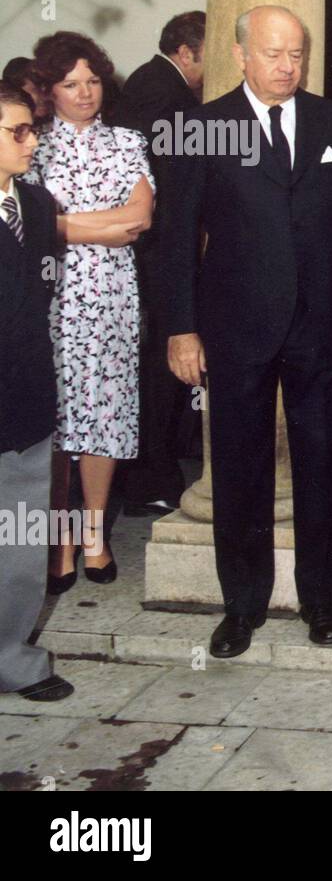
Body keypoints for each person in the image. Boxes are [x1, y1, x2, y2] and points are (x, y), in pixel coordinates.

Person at [160, 5, 332, 659]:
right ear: (240, 56)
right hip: (235, 324)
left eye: (296, 53)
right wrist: (181, 328)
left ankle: (319, 598)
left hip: (320, 324)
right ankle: (241, 603)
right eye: (273, 53)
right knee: (238, 467)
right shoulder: (204, 128)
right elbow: (178, 234)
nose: (287, 65)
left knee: (322, 462)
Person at [26, 32, 155, 594]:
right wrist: (96, 226)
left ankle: (96, 535)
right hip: (51, 301)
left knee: (106, 415)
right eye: (71, 84)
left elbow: (139, 221)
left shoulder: (127, 141)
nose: (84, 93)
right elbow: (36, 228)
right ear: (50, 90)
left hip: (112, 302)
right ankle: (60, 544)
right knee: (56, 423)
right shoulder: (33, 147)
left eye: (93, 81)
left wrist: (73, 225)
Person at [114, 10, 207, 517]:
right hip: (154, 253)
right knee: (158, 368)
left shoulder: (156, 85)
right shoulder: (159, 90)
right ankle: (149, 478)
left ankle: (153, 473)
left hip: (159, 249)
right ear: (187, 52)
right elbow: (162, 179)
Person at [0, 83, 74, 702]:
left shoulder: (39, 205)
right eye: (17, 131)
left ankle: (14, 658)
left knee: (21, 537)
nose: (32, 141)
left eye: (33, 129)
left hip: (25, 397)